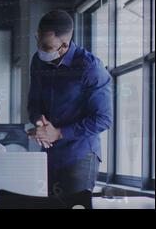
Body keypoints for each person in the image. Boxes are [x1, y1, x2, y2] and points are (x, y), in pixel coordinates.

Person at [27, 10, 113, 198]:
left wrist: (58, 133)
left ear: (64, 45)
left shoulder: (90, 68)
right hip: (49, 155)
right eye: (37, 40)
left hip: (80, 155)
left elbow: (104, 119)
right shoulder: (38, 61)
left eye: (46, 46)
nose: (40, 49)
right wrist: (39, 122)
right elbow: (34, 102)